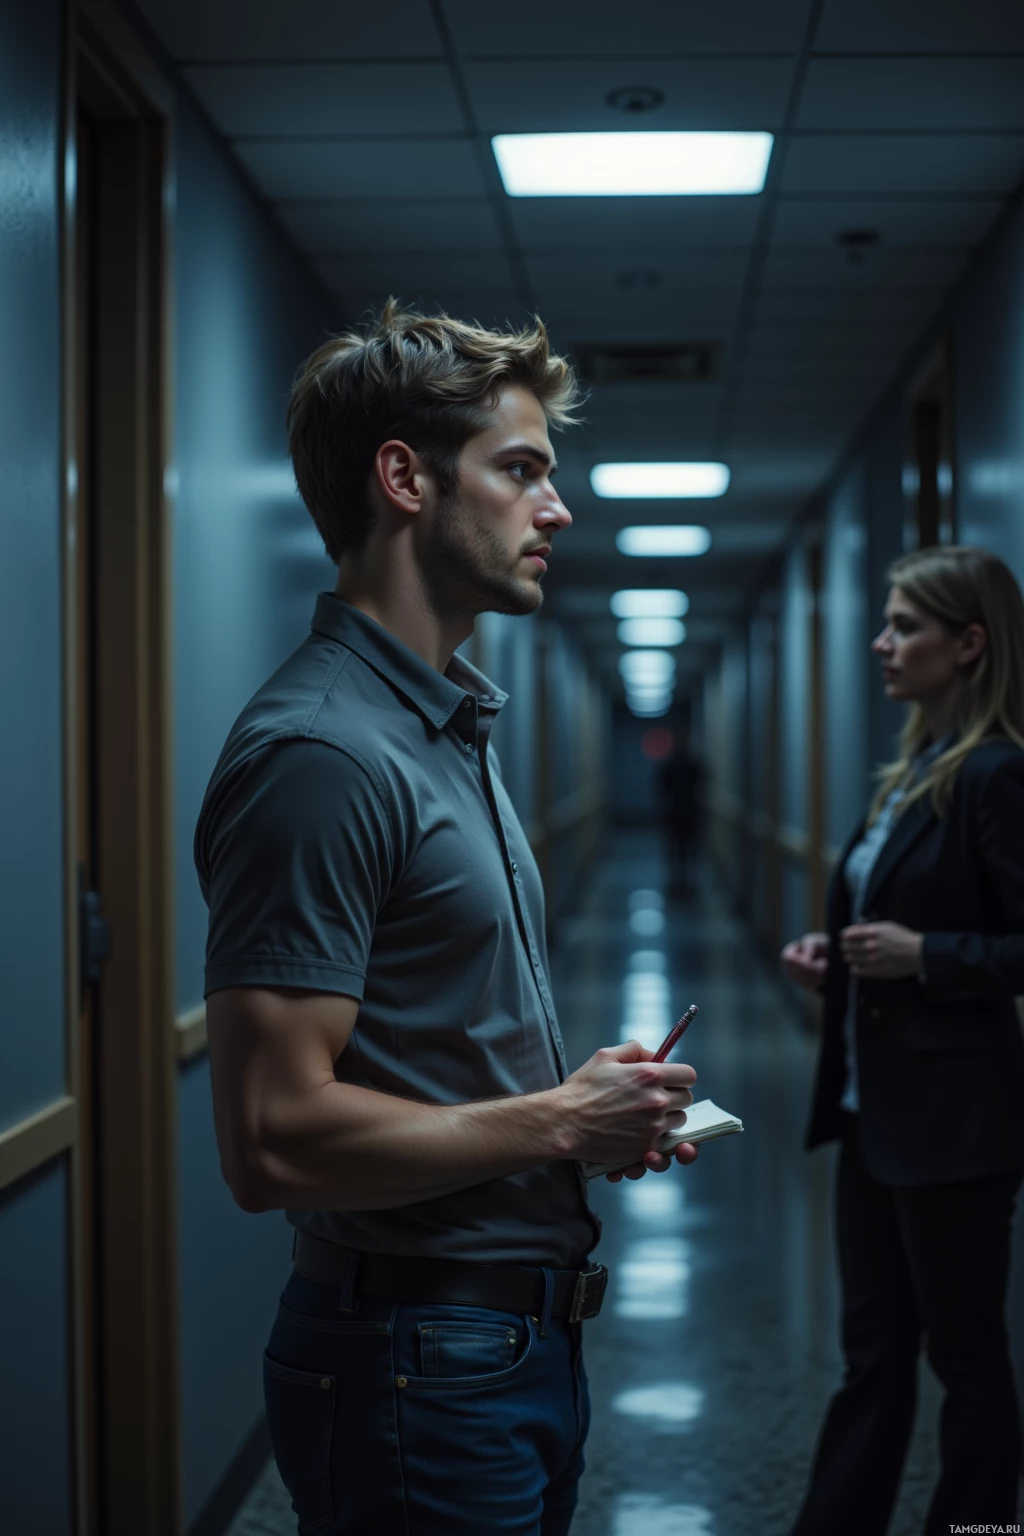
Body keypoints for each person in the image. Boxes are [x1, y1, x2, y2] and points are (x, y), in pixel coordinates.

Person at [193, 302, 700, 1536]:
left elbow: (422, 1044)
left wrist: (579, 1115)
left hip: (501, 1340)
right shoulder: (323, 752)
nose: (557, 509)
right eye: (521, 471)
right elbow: (270, 1139)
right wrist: (554, 1119)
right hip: (418, 1353)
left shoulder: (442, 728)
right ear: (404, 479)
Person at [782, 545, 1024, 1536]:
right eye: (884, 623)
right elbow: (880, 927)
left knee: (964, 1362)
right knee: (871, 1353)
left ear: (969, 644)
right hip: (872, 1112)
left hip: (954, 1125)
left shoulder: (997, 777)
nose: (881, 644)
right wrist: (834, 959)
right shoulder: (912, 771)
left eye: (904, 627)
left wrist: (927, 954)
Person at [657, 715, 704, 898]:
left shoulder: (694, 764)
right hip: (675, 814)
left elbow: (702, 789)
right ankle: (677, 880)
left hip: (690, 814)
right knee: (676, 851)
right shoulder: (669, 765)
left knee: (689, 850)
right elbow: (662, 792)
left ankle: (687, 882)